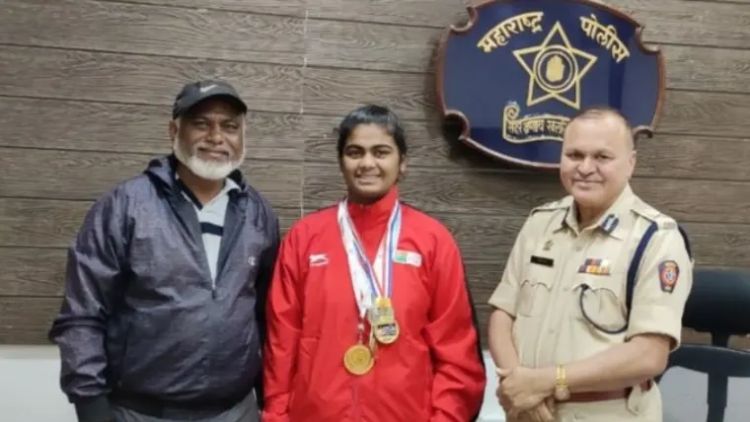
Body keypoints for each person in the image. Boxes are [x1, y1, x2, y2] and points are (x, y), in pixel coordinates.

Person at [49, 79, 279, 422]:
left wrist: (268, 397)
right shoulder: (124, 206)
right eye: (201, 124)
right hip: (140, 412)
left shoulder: (258, 214)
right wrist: (91, 406)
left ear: (243, 137)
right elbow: (82, 314)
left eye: (230, 127)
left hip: (236, 411)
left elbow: (265, 314)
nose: (216, 137)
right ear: (174, 131)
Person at [262, 105, 486, 421]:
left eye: (381, 152)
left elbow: (456, 350)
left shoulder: (433, 241)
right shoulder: (304, 238)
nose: (367, 163)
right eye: (355, 152)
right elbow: (281, 344)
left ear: (402, 162)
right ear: (341, 162)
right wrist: (276, 416)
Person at [487, 106, 693, 422]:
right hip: (527, 411)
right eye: (574, 155)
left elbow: (649, 355)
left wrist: (546, 382)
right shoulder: (540, 223)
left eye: (602, 157)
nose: (585, 168)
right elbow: (503, 313)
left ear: (630, 163)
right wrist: (520, 386)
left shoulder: (657, 239)